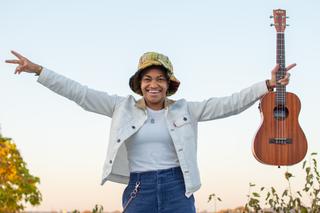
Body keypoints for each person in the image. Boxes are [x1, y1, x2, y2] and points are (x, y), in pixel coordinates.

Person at [5, 50, 294, 213]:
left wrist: (266, 86)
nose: (153, 84)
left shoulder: (185, 110)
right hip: (139, 189)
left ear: (169, 84)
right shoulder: (121, 107)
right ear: (139, 83)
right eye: (147, 79)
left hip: (177, 188)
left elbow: (228, 104)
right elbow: (79, 93)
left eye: (159, 79)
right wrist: (39, 70)